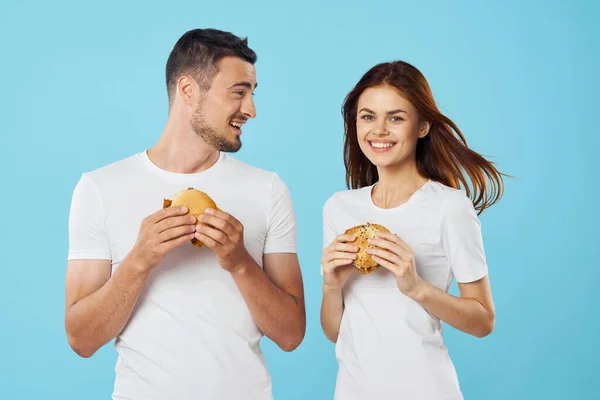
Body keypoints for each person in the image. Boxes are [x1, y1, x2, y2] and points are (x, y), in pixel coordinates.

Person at [65, 28, 306, 399]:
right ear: (189, 90)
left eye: (252, 94)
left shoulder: (268, 189)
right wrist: (139, 260)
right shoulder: (99, 188)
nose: (251, 110)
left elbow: (291, 335)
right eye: (239, 93)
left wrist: (240, 261)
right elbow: (81, 338)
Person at [320, 60, 504, 399]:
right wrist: (332, 286)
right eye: (368, 116)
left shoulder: (450, 207)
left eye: (396, 118)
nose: (379, 130)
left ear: (421, 127)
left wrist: (416, 286)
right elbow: (335, 332)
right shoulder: (339, 208)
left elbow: (483, 321)